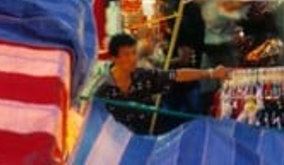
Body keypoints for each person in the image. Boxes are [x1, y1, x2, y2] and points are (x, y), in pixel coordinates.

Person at [94, 32, 228, 135]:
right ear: (113, 58)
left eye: (134, 53)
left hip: (149, 137)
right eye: (126, 55)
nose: (132, 59)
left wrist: (210, 73)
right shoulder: (102, 91)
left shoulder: (142, 76)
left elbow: (176, 75)